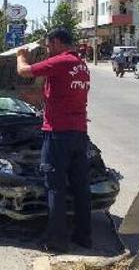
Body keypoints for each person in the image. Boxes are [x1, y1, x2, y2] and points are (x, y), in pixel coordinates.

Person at [16, 27, 92, 252]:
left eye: (49, 46)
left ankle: (56, 241)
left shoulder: (61, 62)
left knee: (55, 187)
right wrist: (38, 98)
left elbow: (25, 72)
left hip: (58, 134)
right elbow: (63, 94)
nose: (48, 50)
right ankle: (83, 236)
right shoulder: (81, 65)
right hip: (79, 133)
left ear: (58, 42)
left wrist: (21, 55)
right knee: (80, 187)